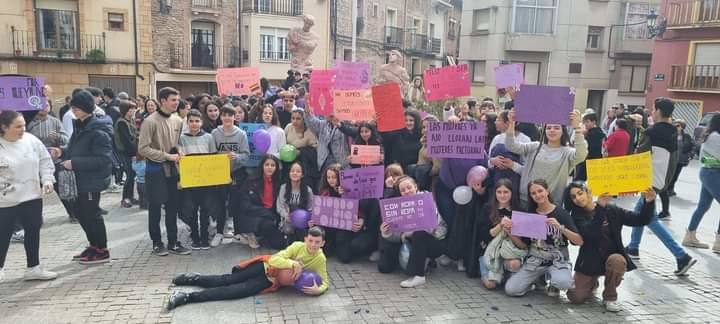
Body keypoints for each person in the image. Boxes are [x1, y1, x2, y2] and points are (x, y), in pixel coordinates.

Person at [166, 226, 329, 310]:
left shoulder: (320, 259)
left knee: (233, 291)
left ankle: (187, 297)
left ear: (322, 243)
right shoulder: (297, 245)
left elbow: (325, 280)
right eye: (310, 240)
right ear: (306, 239)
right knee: (227, 280)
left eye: (317, 242)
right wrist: (292, 264)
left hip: (270, 280)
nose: (313, 245)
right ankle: (194, 278)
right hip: (263, 266)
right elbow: (275, 259)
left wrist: (319, 290)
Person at [626, 98, 697, 275]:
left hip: (649, 180)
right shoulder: (674, 131)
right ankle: (633, 247)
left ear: (658, 111)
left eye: (653, 108)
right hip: (662, 179)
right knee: (639, 212)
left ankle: (682, 256)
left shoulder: (652, 131)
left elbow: (639, 154)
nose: (652, 111)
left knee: (648, 218)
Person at [564, 183, 656, 312]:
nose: (578, 199)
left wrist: (649, 202)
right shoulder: (576, 216)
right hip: (590, 262)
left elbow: (640, 220)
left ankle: (610, 297)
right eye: (573, 197)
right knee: (575, 297)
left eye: (580, 193)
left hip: (611, 257)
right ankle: (592, 282)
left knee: (617, 261)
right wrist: (600, 208)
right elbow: (591, 234)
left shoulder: (612, 209)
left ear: (588, 192)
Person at [57, 90, 114, 264]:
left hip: (92, 180)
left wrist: (74, 163)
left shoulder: (98, 130)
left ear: (87, 108)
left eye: (78, 108)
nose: (74, 111)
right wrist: (62, 151)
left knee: (92, 213)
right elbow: (75, 149)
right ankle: (93, 245)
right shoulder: (79, 126)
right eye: (73, 107)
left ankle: (102, 249)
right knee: (80, 212)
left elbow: (103, 159)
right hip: (80, 179)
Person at [0, 111, 57, 282]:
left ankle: (34, 267)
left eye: (24, 125)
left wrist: (47, 179)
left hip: (31, 195)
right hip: (5, 199)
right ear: (4, 127)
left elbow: (45, 161)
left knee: (33, 230)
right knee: (3, 234)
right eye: (18, 126)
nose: (22, 129)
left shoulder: (31, 140)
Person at [504, 179, 583, 297]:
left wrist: (560, 228)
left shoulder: (561, 213)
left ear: (547, 191)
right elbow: (523, 245)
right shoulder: (530, 214)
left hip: (557, 260)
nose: (538, 195)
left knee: (564, 283)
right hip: (536, 261)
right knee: (511, 290)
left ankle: (554, 282)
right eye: (533, 193)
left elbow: (579, 241)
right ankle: (536, 279)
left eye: (540, 191)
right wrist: (510, 233)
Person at [138, 87, 191, 256]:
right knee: (155, 207)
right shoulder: (150, 121)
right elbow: (143, 148)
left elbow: (178, 143)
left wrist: (180, 151)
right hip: (155, 170)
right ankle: (156, 242)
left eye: (177, 100)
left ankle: (173, 241)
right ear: (163, 101)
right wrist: (166, 156)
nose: (177, 103)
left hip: (173, 170)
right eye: (173, 100)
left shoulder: (178, 120)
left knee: (173, 207)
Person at [505, 109, 588, 207]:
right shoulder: (535, 146)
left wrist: (577, 128)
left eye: (556, 128)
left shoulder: (567, 152)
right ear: (544, 131)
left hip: (551, 203)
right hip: (526, 200)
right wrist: (511, 123)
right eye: (549, 128)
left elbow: (582, 154)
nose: (552, 130)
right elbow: (511, 146)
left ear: (563, 131)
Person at [379, 176, 447, 288]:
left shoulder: (426, 200)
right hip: (413, 244)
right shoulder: (400, 208)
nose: (406, 191)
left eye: (409, 187)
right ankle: (423, 265)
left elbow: (431, 227)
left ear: (415, 187)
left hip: (435, 242)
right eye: (403, 190)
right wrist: (387, 232)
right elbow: (398, 237)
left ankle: (419, 275)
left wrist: (408, 234)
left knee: (419, 233)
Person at [316, 164, 377, 263]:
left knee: (345, 257)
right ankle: (330, 245)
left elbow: (357, 208)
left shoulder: (349, 190)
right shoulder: (325, 192)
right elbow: (321, 210)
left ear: (340, 178)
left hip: (345, 228)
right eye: (328, 177)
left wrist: (361, 219)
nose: (331, 180)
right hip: (330, 228)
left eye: (334, 177)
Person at [178, 109, 218, 250]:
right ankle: (195, 237)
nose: (194, 124)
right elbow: (180, 161)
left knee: (205, 209)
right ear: (187, 122)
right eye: (191, 121)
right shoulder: (182, 138)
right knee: (192, 210)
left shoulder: (208, 138)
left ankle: (204, 237)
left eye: (197, 121)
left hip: (205, 181)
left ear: (201, 122)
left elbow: (213, 158)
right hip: (190, 181)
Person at [477, 179, 527, 289]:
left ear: (512, 193)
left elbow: (523, 245)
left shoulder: (520, 211)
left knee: (515, 265)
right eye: (499, 192)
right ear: (495, 193)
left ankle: (507, 274)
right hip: (490, 252)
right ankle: (488, 272)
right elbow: (485, 237)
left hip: (510, 252)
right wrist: (500, 226)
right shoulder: (487, 208)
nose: (502, 195)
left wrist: (510, 232)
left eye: (506, 192)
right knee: (490, 285)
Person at [212, 106, 250, 242]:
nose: (227, 118)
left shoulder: (241, 134)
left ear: (234, 117)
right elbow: (210, 154)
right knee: (220, 203)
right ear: (220, 117)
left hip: (237, 173)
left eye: (230, 115)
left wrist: (237, 156)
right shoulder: (215, 133)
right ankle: (219, 232)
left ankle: (238, 232)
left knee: (236, 203)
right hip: (220, 173)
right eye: (224, 115)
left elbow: (246, 156)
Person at [683, 113, 720, 252]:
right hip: (713, 173)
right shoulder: (716, 137)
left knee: (703, 206)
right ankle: (718, 243)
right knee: (703, 206)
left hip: (708, 173)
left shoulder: (709, 135)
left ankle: (690, 235)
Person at [235, 155, 285, 249]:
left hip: (272, 216)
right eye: (267, 165)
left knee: (279, 244)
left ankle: (262, 237)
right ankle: (251, 233)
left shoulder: (279, 183)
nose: (269, 167)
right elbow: (246, 206)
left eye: (272, 165)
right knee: (268, 226)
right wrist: (267, 213)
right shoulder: (250, 181)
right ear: (262, 166)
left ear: (276, 168)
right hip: (254, 215)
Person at [488, 110, 530, 193]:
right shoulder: (497, 138)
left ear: (509, 122)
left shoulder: (525, 140)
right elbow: (488, 161)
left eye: (499, 120)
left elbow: (527, 167)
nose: (495, 122)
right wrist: (493, 161)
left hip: (516, 182)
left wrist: (512, 165)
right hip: (497, 180)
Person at [304, 102, 350, 170]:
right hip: (325, 160)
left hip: (341, 161)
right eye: (327, 111)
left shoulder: (345, 124)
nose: (330, 113)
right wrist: (307, 106)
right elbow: (310, 121)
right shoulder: (322, 124)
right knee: (326, 179)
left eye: (332, 110)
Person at [277, 162, 314, 244]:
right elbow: (280, 206)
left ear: (302, 174)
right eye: (292, 171)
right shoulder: (283, 188)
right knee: (289, 231)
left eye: (298, 171)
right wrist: (286, 216)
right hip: (287, 220)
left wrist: (310, 220)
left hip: (303, 221)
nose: (295, 173)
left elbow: (311, 208)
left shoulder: (308, 190)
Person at [114, 100, 139, 208]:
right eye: (130, 109)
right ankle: (125, 198)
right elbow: (126, 141)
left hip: (131, 151)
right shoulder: (121, 122)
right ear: (125, 110)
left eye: (134, 108)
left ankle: (131, 196)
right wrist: (133, 153)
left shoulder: (131, 120)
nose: (133, 111)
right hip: (125, 152)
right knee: (129, 175)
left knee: (132, 175)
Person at [575, 113, 606, 181]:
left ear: (594, 122)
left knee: (579, 181)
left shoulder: (593, 134)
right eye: (584, 122)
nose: (585, 124)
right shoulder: (600, 132)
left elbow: (590, 150)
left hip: (589, 161)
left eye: (587, 122)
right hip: (597, 161)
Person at [667, 119, 694, 197]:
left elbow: (693, 146)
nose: (676, 127)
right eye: (675, 125)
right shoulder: (671, 135)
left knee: (675, 176)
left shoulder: (686, 136)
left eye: (678, 125)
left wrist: (690, 155)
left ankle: (671, 189)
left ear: (682, 127)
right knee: (670, 175)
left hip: (681, 160)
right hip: (671, 159)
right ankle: (667, 189)